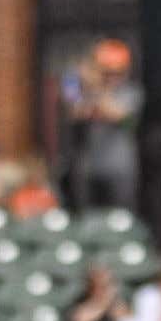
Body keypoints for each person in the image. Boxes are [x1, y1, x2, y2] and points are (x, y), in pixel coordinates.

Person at [64, 39, 142, 212]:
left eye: (115, 73)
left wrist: (96, 87)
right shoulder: (86, 93)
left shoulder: (131, 93)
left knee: (120, 219)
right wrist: (80, 80)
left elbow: (115, 114)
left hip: (119, 170)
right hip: (88, 169)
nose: (110, 78)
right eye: (106, 72)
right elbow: (75, 110)